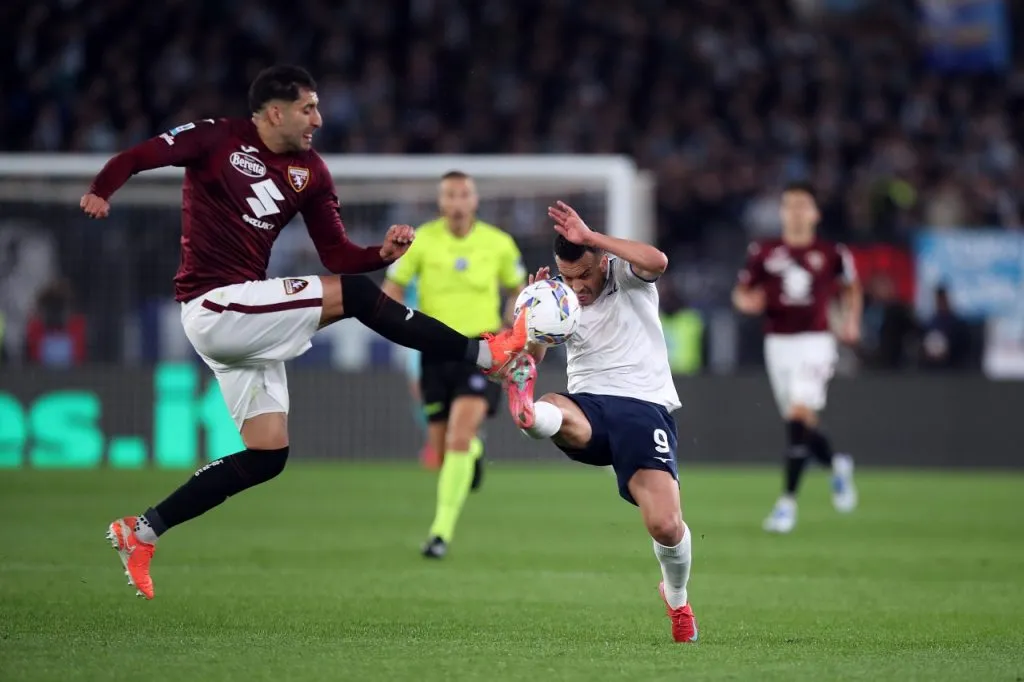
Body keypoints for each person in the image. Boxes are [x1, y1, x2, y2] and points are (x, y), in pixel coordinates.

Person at [80, 65, 527, 599]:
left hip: (246, 319)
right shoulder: (216, 138)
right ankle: (485, 354)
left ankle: (144, 530)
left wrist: (379, 255)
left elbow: (337, 253)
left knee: (268, 456)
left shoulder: (310, 171)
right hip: (216, 305)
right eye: (308, 109)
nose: (318, 119)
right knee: (358, 297)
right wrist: (102, 190)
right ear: (275, 112)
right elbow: (137, 157)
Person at [503, 201, 698, 643]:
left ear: (602, 261)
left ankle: (677, 598)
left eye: (584, 275)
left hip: (645, 410)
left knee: (666, 526)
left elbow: (658, 261)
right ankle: (530, 414)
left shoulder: (628, 277)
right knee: (550, 403)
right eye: (567, 278)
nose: (577, 287)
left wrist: (592, 237)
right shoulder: (562, 300)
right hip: (589, 406)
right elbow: (532, 359)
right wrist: (536, 326)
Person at [383, 171, 526, 559]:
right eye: (451, 194)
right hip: (433, 351)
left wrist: (510, 323)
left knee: (458, 435)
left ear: (474, 200)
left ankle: (439, 534)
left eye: (464, 193)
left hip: (481, 349)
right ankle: (474, 454)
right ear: (441, 202)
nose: (458, 201)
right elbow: (392, 286)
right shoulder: (423, 241)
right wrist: (394, 317)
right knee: (443, 452)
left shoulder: (498, 243)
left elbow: (518, 287)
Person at [731, 180, 862, 534]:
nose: (796, 211)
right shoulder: (764, 251)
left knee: (799, 414)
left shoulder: (832, 252)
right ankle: (836, 465)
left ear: (815, 213)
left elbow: (851, 286)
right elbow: (742, 292)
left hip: (816, 341)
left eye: (803, 204)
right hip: (777, 343)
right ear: (782, 212)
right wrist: (748, 303)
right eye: (789, 204)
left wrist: (851, 320)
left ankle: (786, 504)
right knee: (800, 420)